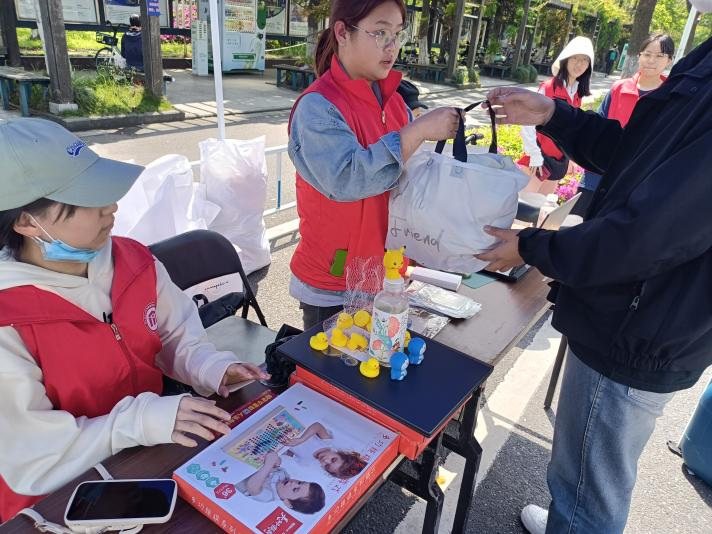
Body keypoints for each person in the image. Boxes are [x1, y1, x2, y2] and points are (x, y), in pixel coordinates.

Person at [479, 22, 712, 534]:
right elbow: (637, 156)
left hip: (638, 324)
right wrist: (554, 114)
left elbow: (650, 233)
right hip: (638, 316)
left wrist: (531, 246)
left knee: (590, 493)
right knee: (585, 475)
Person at [0, 118, 269, 522]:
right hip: (61, 503)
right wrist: (139, 420)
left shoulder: (132, 260)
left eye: (104, 189)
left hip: (147, 457)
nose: (110, 207)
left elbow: (175, 334)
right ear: (26, 223)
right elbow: (35, 455)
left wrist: (210, 366)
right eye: (86, 199)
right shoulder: (9, 318)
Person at [287, 0, 461, 329]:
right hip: (334, 282)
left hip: (387, 274)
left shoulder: (394, 102)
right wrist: (417, 131)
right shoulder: (318, 106)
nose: (391, 47)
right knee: (333, 362)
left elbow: (408, 183)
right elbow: (348, 180)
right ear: (343, 33)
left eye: (397, 34)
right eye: (380, 33)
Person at [573, 34, 674, 217]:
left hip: (634, 183)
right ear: (639, 56)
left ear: (669, 60)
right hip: (597, 175)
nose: (651, 60)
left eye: (659, 56)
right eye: (647, 54)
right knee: (575, 222)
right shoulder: (619, 88)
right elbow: (598, 127)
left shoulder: (671, 97)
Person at [519, 36, 594, 195]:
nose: (579, 64)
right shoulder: (549, 88)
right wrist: (534, 155)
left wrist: (571, 158)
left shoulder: (577, 95)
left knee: (541, 206)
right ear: (566, 59)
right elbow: (528, 122)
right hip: (538, 160)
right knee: (523, 206)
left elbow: (573, 131)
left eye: (584, 60)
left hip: (558, 162)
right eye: (575, 58)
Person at [236, 452, 325, 514]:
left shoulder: (268, 497)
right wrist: (277, 462)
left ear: (287, 502)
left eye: (295, 489)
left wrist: (269, 464)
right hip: (245, 459)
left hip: (236, 472)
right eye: (300, 482)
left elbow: (252, 486)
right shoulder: (284, 477)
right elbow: (275, 466)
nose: (294, 483)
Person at [284, 422, 367, 479]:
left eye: (327, 466)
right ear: (340, 453)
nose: (325, 460)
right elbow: (317, 426)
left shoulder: (307, 461)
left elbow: (290, 453)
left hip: (281, 435)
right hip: (290, 422)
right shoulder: (327, 442)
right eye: (333, 459)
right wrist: (301, 440)